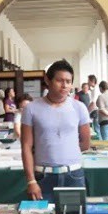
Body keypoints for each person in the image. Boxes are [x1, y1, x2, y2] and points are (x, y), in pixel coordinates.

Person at [21, 60, 91, 202]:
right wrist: (31, 181)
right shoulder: (32, 108)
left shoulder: (79, 107)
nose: (64, 85)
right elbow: (26, 146)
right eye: (59, 80)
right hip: (43, 177)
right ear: (48, 80)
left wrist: (65, 152)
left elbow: (85, 143)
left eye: (68, 81)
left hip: (73, 175)